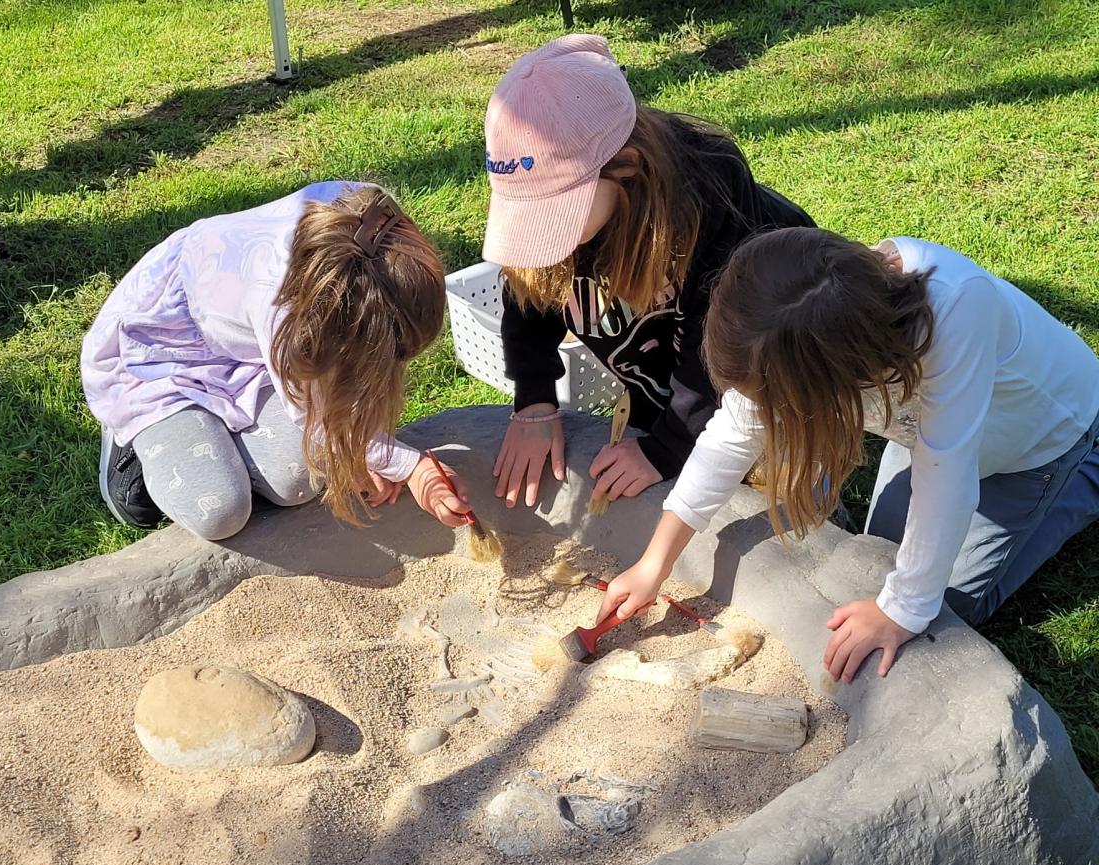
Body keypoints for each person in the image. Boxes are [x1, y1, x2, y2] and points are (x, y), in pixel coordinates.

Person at [598, 228, 1099, 682]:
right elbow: (733, 432)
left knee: (945, 607)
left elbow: (947, 476)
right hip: (925, 435)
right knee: (880, 561)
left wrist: (903, 610)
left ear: (837, 377)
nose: (771, 414)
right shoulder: (810, 323)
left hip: (1039, 444)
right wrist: (654, 563)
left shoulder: (959, 309)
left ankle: (1086, 474)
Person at [481, 33, 814, 510]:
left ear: (627, 168)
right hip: (665, 381)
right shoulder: (590, 203)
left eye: (554, 213)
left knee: (773, 493)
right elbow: (527, 286)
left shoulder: (716, 215)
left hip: (769, 382)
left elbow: (721, 354)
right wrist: (534, 399)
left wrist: (668, 446)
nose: (545, 239)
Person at [83, 181, 471, 540]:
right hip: (163, 359)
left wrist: (362, 449)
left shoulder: (378, 228)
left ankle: (222, 438)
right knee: (220, 511)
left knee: (296, 482)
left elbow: (335, 382)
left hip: (249, 354)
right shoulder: (282, 299)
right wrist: (410, 466)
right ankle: (130, 442)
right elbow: (311, 412)